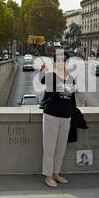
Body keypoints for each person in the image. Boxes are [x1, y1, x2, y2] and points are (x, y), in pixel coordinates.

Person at [39, 52, 76, 188]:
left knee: (61, 149)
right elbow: (41, 80)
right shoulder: (50, 77)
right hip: (51, 117)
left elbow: (71, 98)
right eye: (59, 60)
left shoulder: (71, 78)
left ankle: (56, 173)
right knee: (49, 148)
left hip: (65, 118)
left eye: (64, 60)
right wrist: (42, 70)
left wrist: (73, 115)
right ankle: (48, 176)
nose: (62, 62)